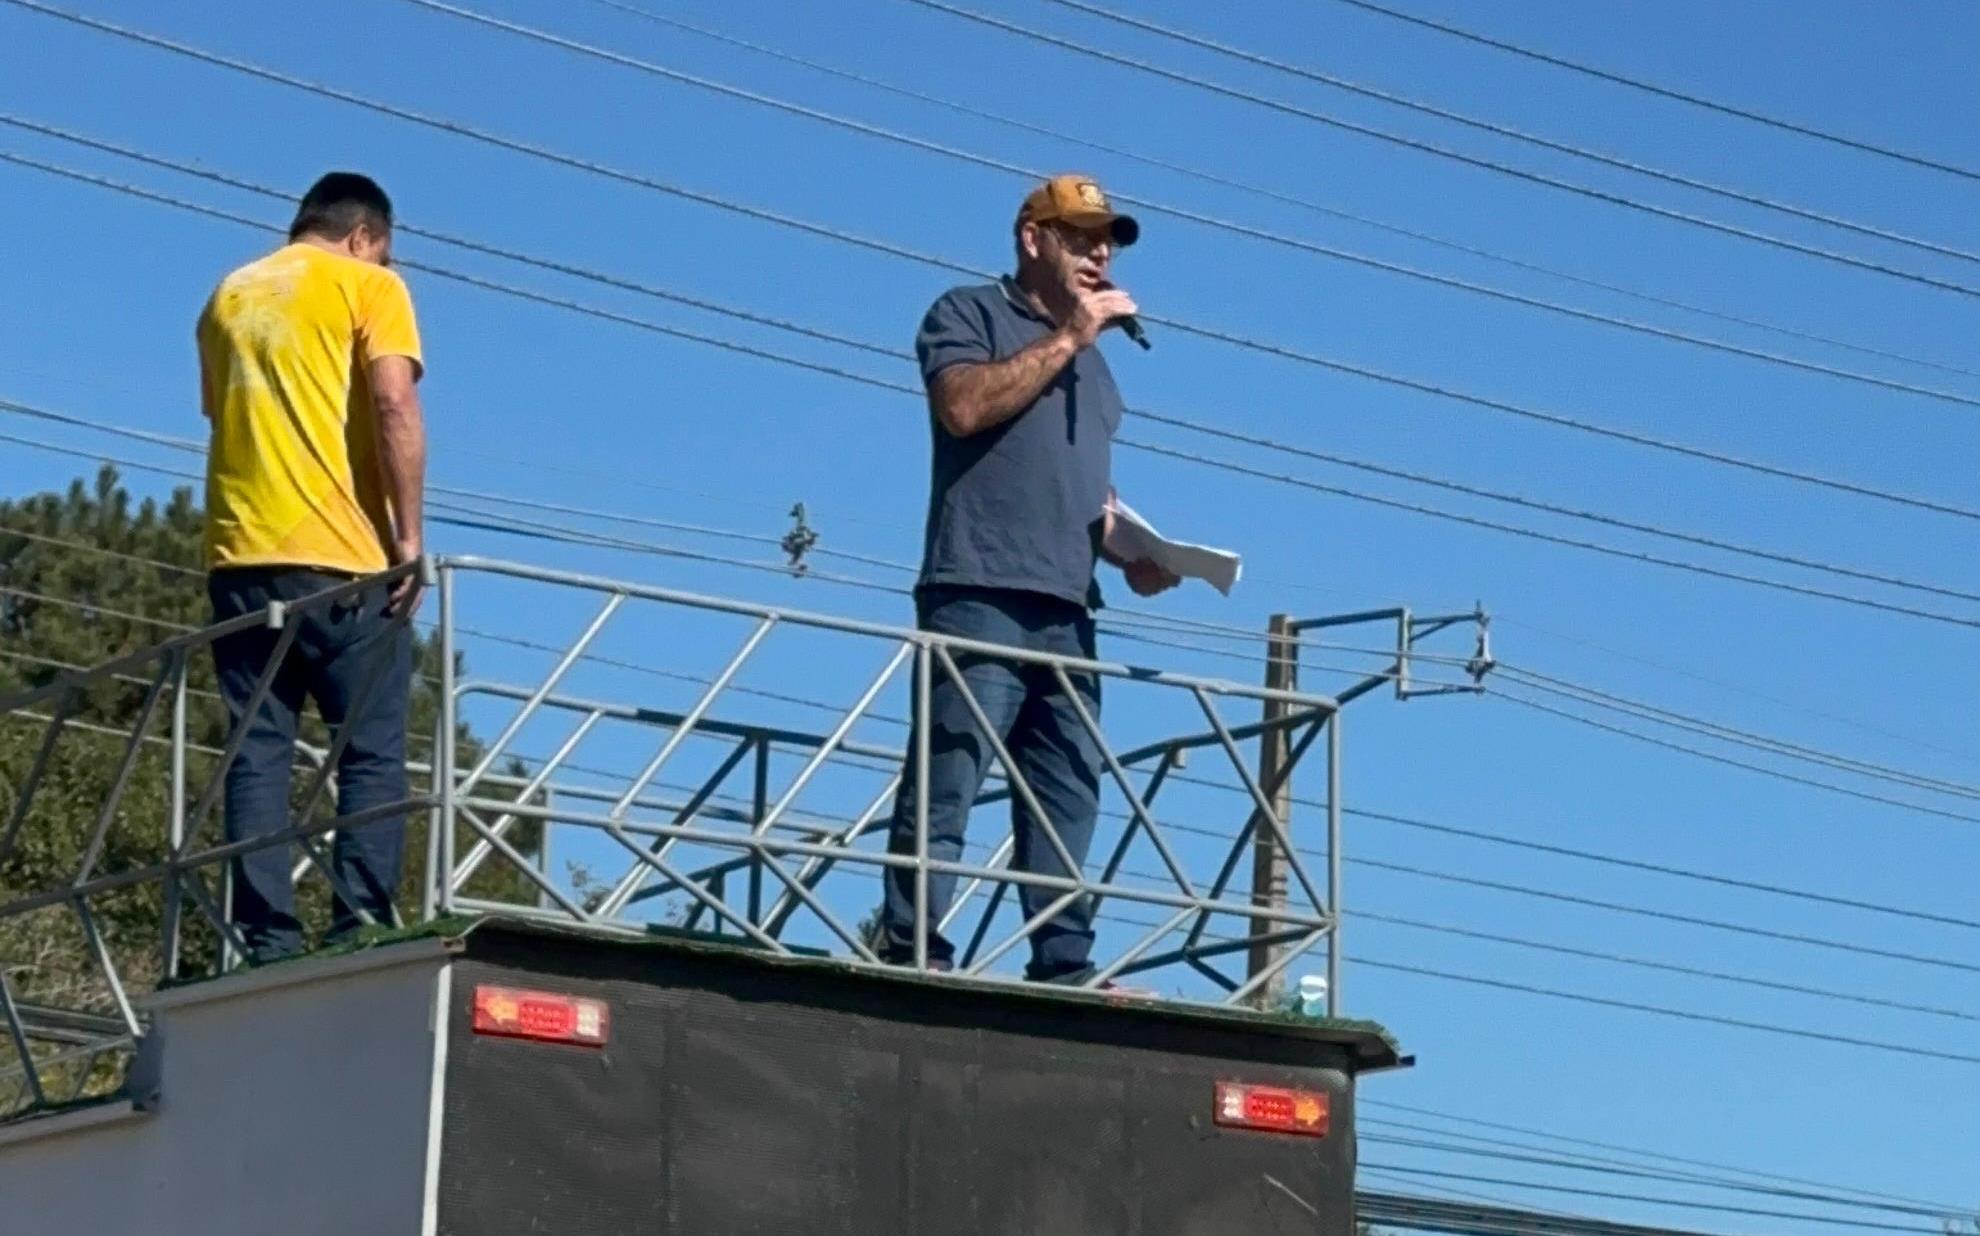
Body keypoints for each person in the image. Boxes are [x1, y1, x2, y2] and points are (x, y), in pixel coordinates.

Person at [877, 174, 1179, 983]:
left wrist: (1135, 553)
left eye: (1106, 242)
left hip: (1069, 606)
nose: (1099, 254)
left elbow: (1085, 496)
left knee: (1068, 789)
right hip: (979, 590)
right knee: (950, 771)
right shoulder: (968, 313)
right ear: (1032, 237)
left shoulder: (1099, 370)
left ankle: (1063, 962)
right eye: (1080, 237)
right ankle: (912, 945)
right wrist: (1071, 337)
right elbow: (962, 409)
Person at [196, 171, 428, 963]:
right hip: (342, 561)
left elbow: (222, 414)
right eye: (384, 252)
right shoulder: (370, 287)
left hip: (239, 558)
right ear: (363, 237)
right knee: (370, 750)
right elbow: (394, 403)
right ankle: (360, 924)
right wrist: (408, 540)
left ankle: (265, 939)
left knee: (257, 749)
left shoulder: (228, 295)